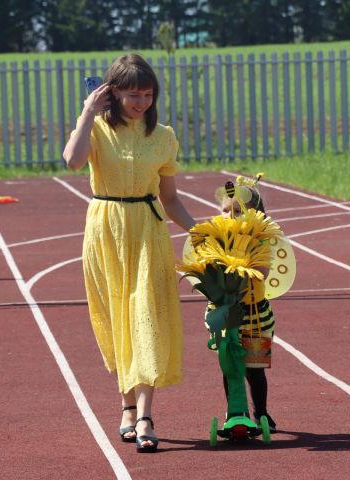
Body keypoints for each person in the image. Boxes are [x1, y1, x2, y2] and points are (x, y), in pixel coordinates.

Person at [62, 53, 196, 453]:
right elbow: (72, 161)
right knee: (116, 318)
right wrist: (88, 112)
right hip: (106, 229)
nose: (141, 102)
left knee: (147, 319)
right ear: (112, 92)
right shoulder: (98, 129)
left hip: (149, 230)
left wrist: (203, 231)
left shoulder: (164, 136)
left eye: (148, 94)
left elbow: (170, 199)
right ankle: (125, 406)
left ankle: (145, 415)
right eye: (133, 94)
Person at [213, 177, 278, 433]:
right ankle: (235, 412)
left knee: (254, 369)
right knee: (230, 367)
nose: (230, 217)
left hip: (255, 314)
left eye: (237, 211)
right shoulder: (215, 239)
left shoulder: (260, 241)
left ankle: (261, 412)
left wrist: (237, 260)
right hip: (226, 315)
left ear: (256, 214)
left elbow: (261, 270)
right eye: (225, 211)